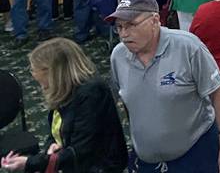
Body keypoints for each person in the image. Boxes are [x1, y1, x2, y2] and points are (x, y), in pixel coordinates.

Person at [108, 0, 220, 173]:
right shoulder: (118, 56)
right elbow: (128, 104)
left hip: (195, 154)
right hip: (147, 160)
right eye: (119, 27)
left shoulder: (188, 47)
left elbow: (218, 92)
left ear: (154, 21)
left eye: (131, 25)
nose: (124, 34)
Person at [0, 38, 127, 173]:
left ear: (55, 72)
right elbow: (57, 130)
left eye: (36, 71)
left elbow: (82, 149)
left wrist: (30, 163)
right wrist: (52, 147)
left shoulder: (91, 93)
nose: (35, 78)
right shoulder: (64, 90)